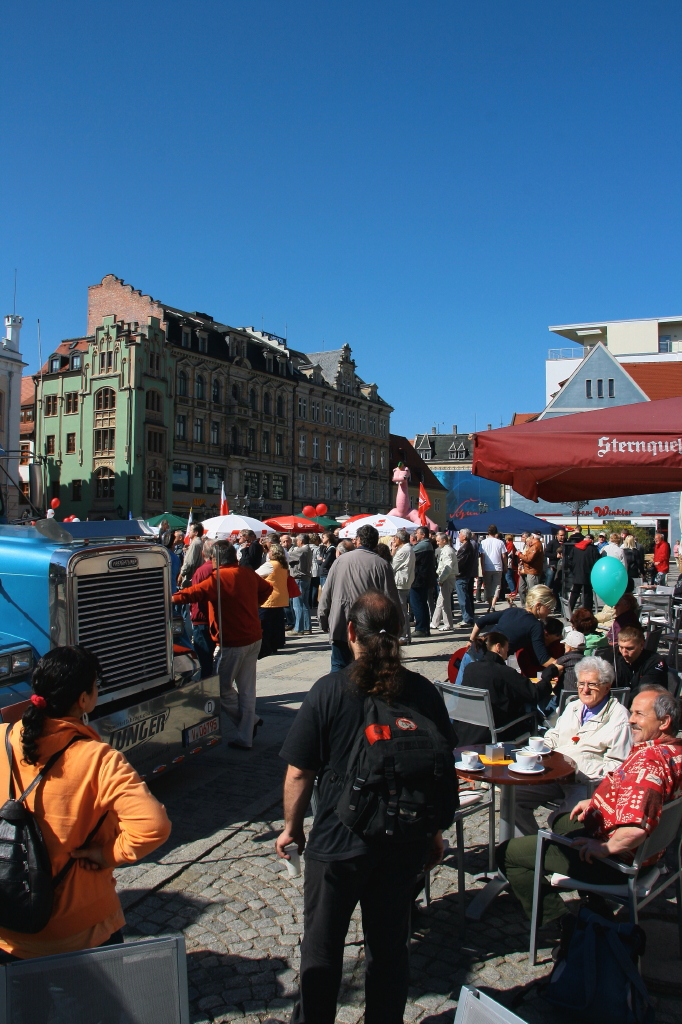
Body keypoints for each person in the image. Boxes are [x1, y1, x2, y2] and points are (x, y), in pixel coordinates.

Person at [276, 590, 456, 1024]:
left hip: (340, 839)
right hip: (403, 837)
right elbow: (436, 769)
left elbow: (300, 772)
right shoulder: (423, 691)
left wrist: (291, 828)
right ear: (399, 632)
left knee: (322, 946)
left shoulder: (329, 691)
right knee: (390, 948)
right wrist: (433, 833)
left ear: (350, 632)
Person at [0, 646, 171, 961]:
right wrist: (107, 854)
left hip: (7, 922)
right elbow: (153, 826)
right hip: (80, 929)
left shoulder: (3, 736)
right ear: (83, 699)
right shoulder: (98, 758)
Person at [499, 686, 682, 926]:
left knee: (507, 853)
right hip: (650, 853)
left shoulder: (648, 764)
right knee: (562, 820)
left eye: (639, 714)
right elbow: (645, 800)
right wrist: (597, 801)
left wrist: (605, 848)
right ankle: (591, 902)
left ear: (664, 721)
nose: (631, 719)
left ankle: (561, 924)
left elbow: (635, 829)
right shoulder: (674, 752)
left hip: (617, 862)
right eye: (632, 712)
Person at [172, 540, 272, 749]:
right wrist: (253, 605)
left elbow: (190, 594)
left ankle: (249, 724)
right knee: (246, 689)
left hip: (233, 641)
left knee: (221, 687)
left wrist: (168, 598)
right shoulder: (247, 573)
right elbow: (267, 589)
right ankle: (246, 733)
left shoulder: (218, 578)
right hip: (253, 637)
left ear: (215, 559)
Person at [318, 525, 404, 671]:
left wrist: (323, 618)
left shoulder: (340, 561)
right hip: (369, 625)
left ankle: (340, 692)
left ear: (358, 540)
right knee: (367, 668)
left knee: (338, 665)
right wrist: (398, 626)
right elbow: (391, 599)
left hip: (341, 621)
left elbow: (327, 593)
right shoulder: (382, 565)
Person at [453, 632, 554, 746]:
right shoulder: (503, 671)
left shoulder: (470, 668)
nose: (507, 655)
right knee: (531, 709)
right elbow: (534, 693)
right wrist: (548, 676)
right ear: (498, 647)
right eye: (507, 650)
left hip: (465, 731)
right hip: (496, 732)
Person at [470, 584, 558, 672]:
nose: (550, 612)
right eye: (549, 607)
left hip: (472, 651)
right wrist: (565, 664)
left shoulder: (512, 610)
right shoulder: (536, 626)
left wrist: (471, 641)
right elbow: (543, 659)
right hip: (488, 662)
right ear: (538, 605)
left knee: (461, 685)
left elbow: (481, 621)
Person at [613, 625, 668, 696]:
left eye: (629, 648)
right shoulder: (619, 660)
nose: (624, 654)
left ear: (642, 645)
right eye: (621, 647)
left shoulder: (655, 662)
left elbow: (643, 692)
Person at [256, 542, 290, 656]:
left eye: (270, 550)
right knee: (277, 624)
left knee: (265, 624)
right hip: (281, 597)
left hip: (269, 598)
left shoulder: (270, 565)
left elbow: (255, 575)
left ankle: (266, 647)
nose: (268, 552)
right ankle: (276, 645)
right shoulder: (283, 564)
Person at [189, 539, 216, 678]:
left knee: (205, 659)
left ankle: (208, 689)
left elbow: (195, 596)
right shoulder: (224, 569)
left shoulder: (201, 571)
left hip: (203, 619)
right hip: (218, 618)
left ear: (202, 553)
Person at [409, 526, 437, 637]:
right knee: (423, 604)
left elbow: (409, 553)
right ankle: (424, 628)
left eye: (417, 533)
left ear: (423, 534)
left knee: (417, 604)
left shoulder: (422, 545)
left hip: (418, 579)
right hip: (424, 579)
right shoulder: (427, 545)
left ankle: (420, 628)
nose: (416, 535)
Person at [539, 629, 586, 696]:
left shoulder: (564, 660)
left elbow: (548, 670)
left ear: (568, 648)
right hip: (580, 695)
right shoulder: (587, 661)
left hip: (564, 697)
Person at [391, 528, 415, 645]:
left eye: (395, 538)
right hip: (404, 581)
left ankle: (404, 635)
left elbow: (393, 566)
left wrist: (392, 552)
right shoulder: (407, 549)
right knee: (402, 609)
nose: (393, 540)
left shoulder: (403, 551)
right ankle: (405, 635)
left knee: (401, 610)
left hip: (401, 583)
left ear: (399, 539)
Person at [430, 532, 457, 631]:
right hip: (446, 578)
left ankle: (448, 624)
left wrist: (441, 579)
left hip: (447, 578)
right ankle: (435, 622)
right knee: (440, 602)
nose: (437, 543)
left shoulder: (447, 551)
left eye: (438, 541)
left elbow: (448, 567)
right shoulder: (446, 550)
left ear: (444, 540)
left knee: (445, 603)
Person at [289, 534, 313, 636]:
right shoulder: (308, 549)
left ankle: (299, 628)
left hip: (299, 578)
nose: (296, 542)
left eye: (297, 540)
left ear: (301, 541)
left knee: (297, 605)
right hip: (306, 578)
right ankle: (307, 626)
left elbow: (288, 557)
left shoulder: (301, 550)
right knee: (304, 604)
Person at [569, 533, 600, 612]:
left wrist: (573, 570)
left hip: (577, 573)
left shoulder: (575, 548)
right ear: (591, 540)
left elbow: (570, 561)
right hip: (588, 574)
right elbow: (597, 562)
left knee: (574, 593)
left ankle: (569, 610)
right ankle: (587, 612)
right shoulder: (593, 549)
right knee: (587, 594)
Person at [480, 525, 508, 612]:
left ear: (488, 532)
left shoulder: (483, 542)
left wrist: (482, 568)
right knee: (497, 586)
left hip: (487, 566)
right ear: (496, 532)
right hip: (498, 566)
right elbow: (504, 556)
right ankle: (493, 605)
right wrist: (505, 565)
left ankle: (490, 604)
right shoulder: (500, 542)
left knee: (487, 587)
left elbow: (482, 556)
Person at [455, 527, 477, 626]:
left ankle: (467, 618)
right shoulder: (467, 546)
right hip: (465, 574)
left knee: (463, 598)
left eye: (460, 534)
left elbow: (459, 562)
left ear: (464, 536)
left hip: (462, 575)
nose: (458, 536)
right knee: (465, 597)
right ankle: (468, 617)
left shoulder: (465, 547)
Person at [517, 532, 545, 606]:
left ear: (532, 537)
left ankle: (532, 608)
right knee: (521, 589)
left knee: (532, 591)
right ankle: (525, 606)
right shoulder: (531, 546)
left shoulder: (536, 546)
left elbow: (529, 559)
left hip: (532, 571)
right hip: (526, 570)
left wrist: (519, 554)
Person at [179, 522, 205, 587]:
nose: (189, 532)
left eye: (190, 530)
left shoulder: (195, 544)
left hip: (190, 578)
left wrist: (181, 574)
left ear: (196, 532)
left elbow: (189, 562)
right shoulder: (200, 542)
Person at [544, 528, 566, 593]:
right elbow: (546, 553)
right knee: (549, 580)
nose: (562, 537)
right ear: (557, 535)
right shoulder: (552, 542)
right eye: (561, 535)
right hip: (553, 565)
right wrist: (555, 556)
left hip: (563, 566)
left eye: (563, 535)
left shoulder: (567, 543)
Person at [504, 534, 519, 603]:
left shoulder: (510, 545)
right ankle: (513, 590)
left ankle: (513, 591)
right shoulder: (512, 544)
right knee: (509, 577)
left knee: (508, 577)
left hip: (509, 564)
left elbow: (508, 553)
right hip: (511, 564)